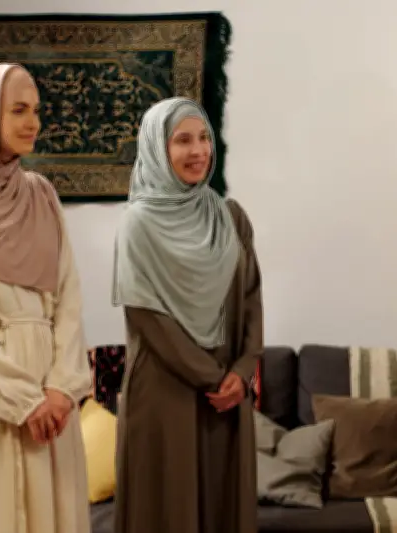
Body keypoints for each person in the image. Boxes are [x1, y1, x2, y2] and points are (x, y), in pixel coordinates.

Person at [0, 64, 91, 532]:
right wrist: (22, 400)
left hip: (51, 401)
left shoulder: (41, 196)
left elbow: (68, 296)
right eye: (18, 110)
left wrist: (61, 388)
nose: (34, 122)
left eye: (36, 110)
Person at [112, 97, 262, 533]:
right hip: (165, 394)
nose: (198, 151)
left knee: (222, 507)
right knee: (167, 511)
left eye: (203, 138)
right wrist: (214, 378)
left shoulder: (231, 217)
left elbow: (251, 296)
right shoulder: (138, 224)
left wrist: (243, 370)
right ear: (158, 149)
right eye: (182, 140)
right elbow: (147, 318)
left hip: (227, 394)